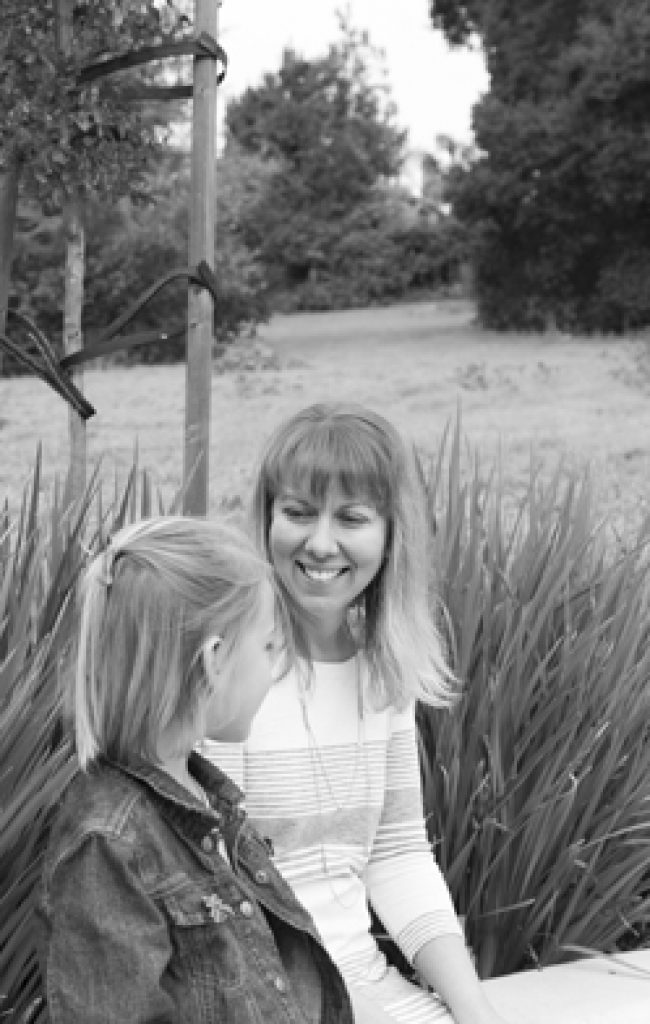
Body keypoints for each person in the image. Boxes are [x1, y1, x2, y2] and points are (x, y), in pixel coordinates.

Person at [204, 404, 511, 1024]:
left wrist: (475, 1010)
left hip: (364, 994)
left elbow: (396, 856)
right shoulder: (223, 673)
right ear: (265, 519)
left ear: (391, 534)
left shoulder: (383, 674)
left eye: (351, 518)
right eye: (296, 513)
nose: (320, 543)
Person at [37, 516, 355, 1024]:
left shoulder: (207, 800)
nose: (277, 666)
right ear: (213, 661)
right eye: (270, 646)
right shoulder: (107, 847)